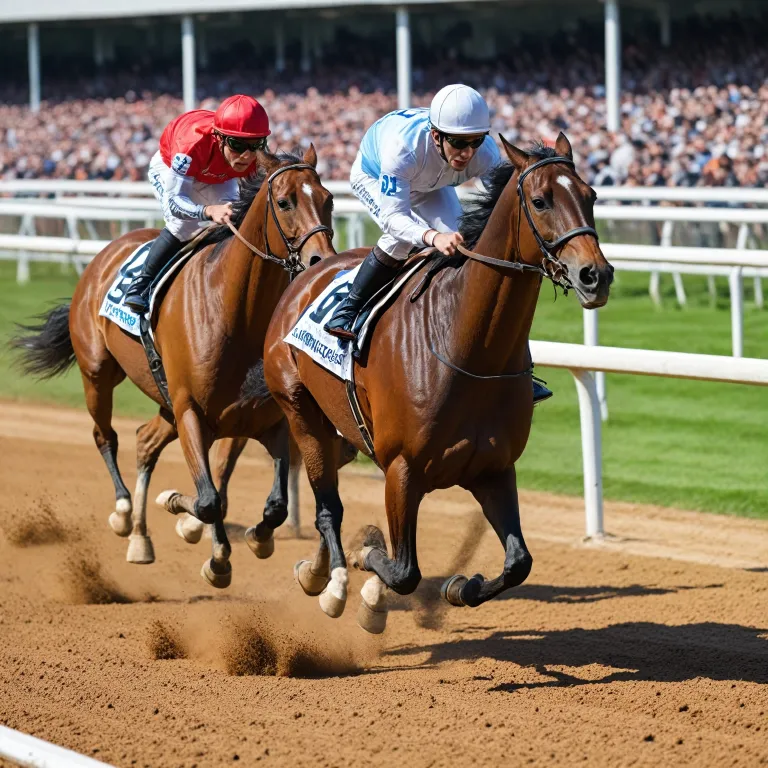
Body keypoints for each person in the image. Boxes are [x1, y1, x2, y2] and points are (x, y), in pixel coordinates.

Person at [323, 83, 552, 404]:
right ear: (436, 136)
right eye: (459, 143)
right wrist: (432, 236)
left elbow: (503, 205)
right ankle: (348, 309)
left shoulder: (485, 154)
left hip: (431, 184)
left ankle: (514, 367)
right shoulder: (403, 149)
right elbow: (394, 219)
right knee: (402, 238)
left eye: (475, 141)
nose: (467, 153)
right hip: (376, 176)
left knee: (464, 246)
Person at [124, 94, 270, 314]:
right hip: (169, 168)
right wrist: (208, 210)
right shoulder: (192, 145)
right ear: (219, 137)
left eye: (256, 144)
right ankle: (140, 285)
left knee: (234, 221)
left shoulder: (253, 157)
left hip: (218, 175)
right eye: (237, 145)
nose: (247, 155)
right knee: (184, 225)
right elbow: (175, 203)